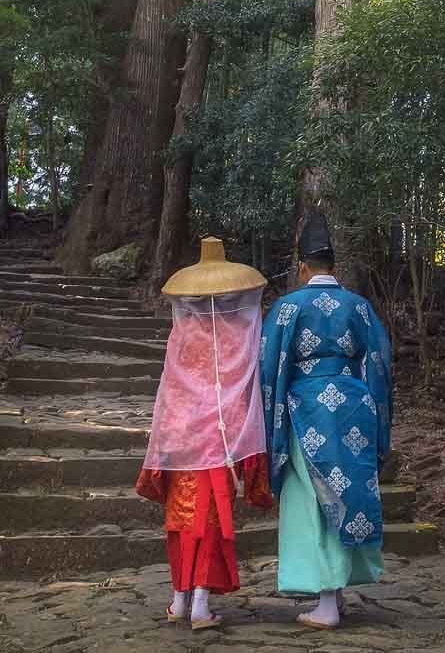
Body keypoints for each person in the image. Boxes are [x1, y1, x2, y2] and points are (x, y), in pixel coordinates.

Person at [258, 214, 394, 630]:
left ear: (302, 267)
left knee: (312, 501)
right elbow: (380, 363)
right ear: (334, 266)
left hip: (306, 410)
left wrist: (272, 418)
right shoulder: (360, 307)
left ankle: (327, 600)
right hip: (355, 406)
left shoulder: (287, 308)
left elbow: (269, 369)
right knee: (348, 492)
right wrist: (377, 415)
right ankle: (336, 591)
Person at [134, 237, 275, 631]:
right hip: (223, 444)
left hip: (183, 443)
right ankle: (198, 603)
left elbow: (171, 390)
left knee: (181, 521)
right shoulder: (239, 336)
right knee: (208, 523)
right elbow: (244, 390)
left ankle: (180, 599)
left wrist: (165, 440)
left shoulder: (182, 336)